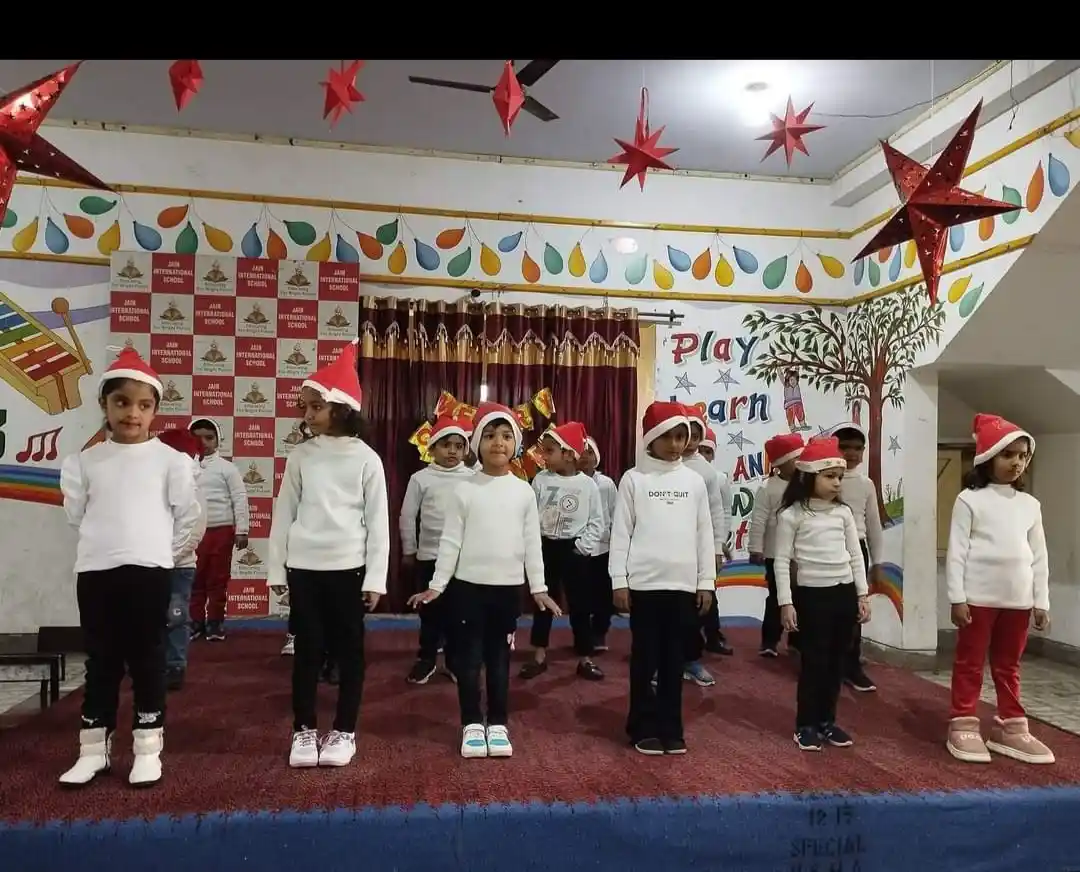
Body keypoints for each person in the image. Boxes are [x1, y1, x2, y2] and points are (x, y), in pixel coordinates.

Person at [58, 347, 201, 787]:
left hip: (149, 573)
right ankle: (92, 750)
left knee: (147, 659)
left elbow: (188, 518)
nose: (132, 413)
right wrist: (109, 546)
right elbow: (77, 515)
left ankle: (147, 749)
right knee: (101, 660)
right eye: (121, 402)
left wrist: (157, 553)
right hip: (96, 572)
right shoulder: (84, 462)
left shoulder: (171, 461)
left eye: (143, 405)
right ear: (104, 404)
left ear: (155, 410)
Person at [408, 402, 560, 759]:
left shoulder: (523, 491)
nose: (498, 443)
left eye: (506, 436)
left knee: (499, 659)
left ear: (516, 444)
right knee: (468, 659)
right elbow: (451, 542)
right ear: (476, 443)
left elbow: (531, 543)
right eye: (490, 436)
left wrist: (539, 587)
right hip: (467, 590)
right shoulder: (465, 490)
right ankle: (472, 723)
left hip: (506, 592)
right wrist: (437, 585)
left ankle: (498, 723)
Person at [268, 339, 389, 769]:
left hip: (348, 571)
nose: (307, 414)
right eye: (305, 406)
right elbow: (284, 513)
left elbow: (378, 523)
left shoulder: (367, 459)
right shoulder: (301, 456)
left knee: (350, 652)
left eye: (315, 406)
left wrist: (375, 578)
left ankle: (344, 730)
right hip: (304, 569)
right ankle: (303, 729)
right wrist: (276, 570)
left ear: (342, 408)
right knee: (307, 651)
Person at [945, 414, 1053, 765]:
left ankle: (1010, 726)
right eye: (1008, 455)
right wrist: (957, 598)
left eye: (1022, 456)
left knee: (1009, 665)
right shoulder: (968, 500)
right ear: (988, 457)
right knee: (970, 662)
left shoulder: (1030, 505)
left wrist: (1041, 601)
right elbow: (957, 552)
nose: (1017, 463)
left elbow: (1039, 556)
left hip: (1018, 602)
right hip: (978, 600)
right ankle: (963, 721)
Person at [609, 401, 714, 756]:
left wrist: (706, 581)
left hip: (683, 587)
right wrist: (619, 580)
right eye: (667, 436)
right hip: (644, 587)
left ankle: (671, 728)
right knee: (645, 660)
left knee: (674, 661)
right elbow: (621, 533)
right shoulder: (634, 479)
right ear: (651, 438)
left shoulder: (694, 482)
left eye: (681, 437)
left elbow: (704, 533)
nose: (674, 444)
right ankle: (641, 726)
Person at [774, 437, 870, 752]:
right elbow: (781, 561)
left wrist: (862, 594)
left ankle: (827, 721)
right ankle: (806, 725)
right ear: (808, 476)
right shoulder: (791, 515)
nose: (837, 483)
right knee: (814, 662)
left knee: (836, 662)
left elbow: (855, 555)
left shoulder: (843, 513)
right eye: (829, 476)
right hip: (812, 597)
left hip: (844, 594)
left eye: (839, 477)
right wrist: (786, 603)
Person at [521, 422, 605, 680]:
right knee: (543, 603)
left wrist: (581, 547)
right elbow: (530, 515)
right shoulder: (541, 480)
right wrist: (533, 544)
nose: (544, 456)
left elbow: (597, 522)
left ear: (568, 454)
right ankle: (538, 655)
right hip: (546, 547)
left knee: (580, 605)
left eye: (549, 451)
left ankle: (585, 657)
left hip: (574, 550)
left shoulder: (588, 485)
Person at [400, 415, 475, 684]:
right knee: (431, 613)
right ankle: (427, 659)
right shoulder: (420, 478)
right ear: (431, 448)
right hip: (430, 556)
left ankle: (455, 661)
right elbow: (407, 516)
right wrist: (409, 550)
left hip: (463, 559)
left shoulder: (473, 478)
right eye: (446, 445)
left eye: (459, 446)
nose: (452, 451)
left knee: (460, 614)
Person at [827, 422, 883, 693]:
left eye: (857, 448)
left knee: (854, 611)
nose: (851, 453)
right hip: (826, 547)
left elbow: (873, 525)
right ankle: (825, 664)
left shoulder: (866, 484)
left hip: (856, 550)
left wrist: (878, 562)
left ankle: (851, 666)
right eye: (844, 447)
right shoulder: (819, 479)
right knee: (826, 608)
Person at [680, 407, 730, 689]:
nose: (688, 441)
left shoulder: (707, 472)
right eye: (684, 434)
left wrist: (716, 548)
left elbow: (716, 513)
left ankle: (690, 659)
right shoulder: (653, 466)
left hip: (697, 552)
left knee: (693, 609)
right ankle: (661, 662)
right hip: (663, 554)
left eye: (695, 435)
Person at [187, 418, 249, 643]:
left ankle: (215, 623)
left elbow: (239, 498)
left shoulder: (226, 468)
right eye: (197, 438)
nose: (203, 442)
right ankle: (195, 623)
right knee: (194, 579)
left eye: (209, 437)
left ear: (218, 440)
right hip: (193, 534)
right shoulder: (183, 467)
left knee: (217, 580)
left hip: (221, 532)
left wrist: (242, 529)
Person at [156, 429, 208, 691]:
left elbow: (194, 532)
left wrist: (168, 558)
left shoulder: (194, 487)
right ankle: (149, 664)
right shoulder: (150, 483)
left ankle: (175, 665)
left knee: (176, 616)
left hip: (179, 566)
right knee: (148, 616)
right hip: (149, 564)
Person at [748, 433, 805, 656]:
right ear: (780, 464)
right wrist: (756, 548)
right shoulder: (768, 488)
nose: (799, 463)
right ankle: (769, 641)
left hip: (802, 554)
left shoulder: (808, 486)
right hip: (775, 553)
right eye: (795, 459)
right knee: (776, 598)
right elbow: (759, 519)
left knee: (801, 598)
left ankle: (797, 641)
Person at [579, 435, 618, 651]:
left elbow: (615, 512)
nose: (585, 457)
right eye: (581, 452)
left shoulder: (606, 484)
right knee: (582, 596)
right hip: (580, 547)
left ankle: (600, 633)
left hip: (603, 548)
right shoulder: (573, 483)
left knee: (603, 595)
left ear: (597, 457)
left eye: (590, 452)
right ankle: (584, 636)